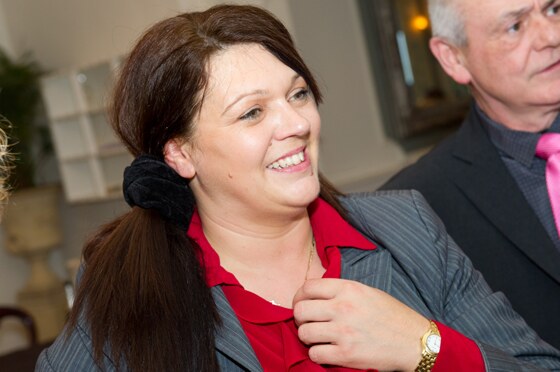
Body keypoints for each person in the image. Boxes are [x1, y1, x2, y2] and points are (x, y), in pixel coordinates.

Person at [36, 4, 560, 372]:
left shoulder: (407, 226)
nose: (296, 122)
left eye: (299, 93)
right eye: (252, 112)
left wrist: (424, 347)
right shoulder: (131, 282)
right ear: (180, 153)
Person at [380, 0, 560, 349]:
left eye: (553, 10)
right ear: (453, 58)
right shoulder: (415, 206)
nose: (551, 36)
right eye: (515, 27)